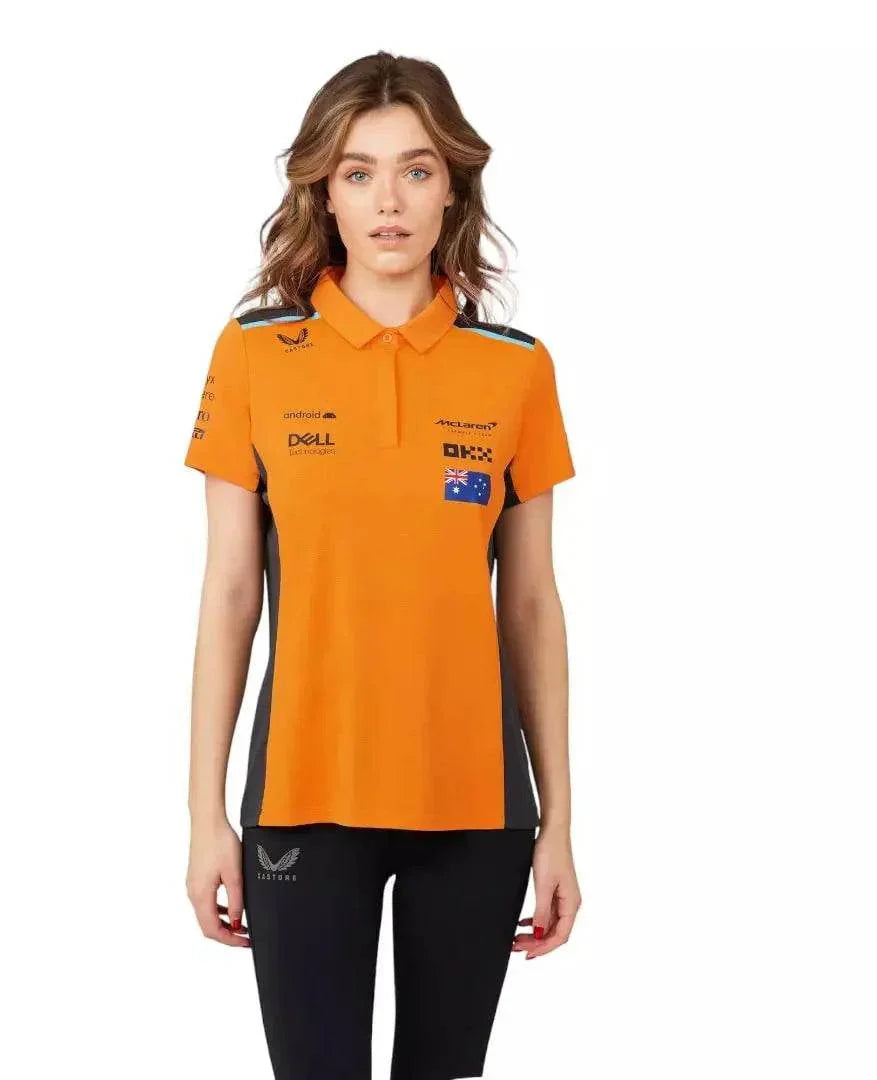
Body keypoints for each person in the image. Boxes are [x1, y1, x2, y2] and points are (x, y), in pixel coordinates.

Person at [184, 50, 581, 1080]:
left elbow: (531, 607)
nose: (388, 201)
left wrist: (560, 825)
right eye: (358, 173)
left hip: (479, 810)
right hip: (302, 800)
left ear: (453, 186)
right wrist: (204, 814)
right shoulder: (254, 354)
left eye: (415, 169)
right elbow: (229, 596)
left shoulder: (516, 370)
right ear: (325, 190)